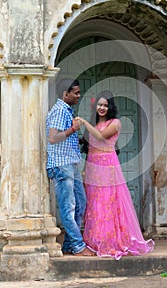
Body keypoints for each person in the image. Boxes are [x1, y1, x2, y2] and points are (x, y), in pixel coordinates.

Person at [77, 90, 154, 260]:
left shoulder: (116, 123)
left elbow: (101, 136)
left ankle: (110, 240)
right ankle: (95, 240)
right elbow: (90, 141)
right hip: (93, 165)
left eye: (105, 105)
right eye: (99, 104)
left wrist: (84, 122)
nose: (102, 108)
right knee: (94, 201)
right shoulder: (94, 123)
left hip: (107, 165)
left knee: (108, 200)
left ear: (110, 107)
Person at [46, 78, 95, 256]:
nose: (78, 96)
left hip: (71, 164)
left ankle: (68, 245)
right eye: (75, 93)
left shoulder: (66, 110)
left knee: (81, 203)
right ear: (65, 94)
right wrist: (73, 130)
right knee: (69, 207)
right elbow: (53, 138)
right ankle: (78, 245)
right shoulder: (59, 111)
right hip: (61, 165)